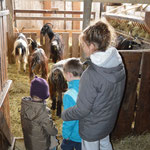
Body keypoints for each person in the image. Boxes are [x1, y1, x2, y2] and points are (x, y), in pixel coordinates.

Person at [61, 19, 126, 150]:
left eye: (83, 44)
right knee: (105, 144)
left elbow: (82, 110)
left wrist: (64, 114)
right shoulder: (118, 64)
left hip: (91, 127)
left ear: (91, 46)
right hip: (107, 122)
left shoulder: (90, 75)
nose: (82, 48)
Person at [20, 76, 58, 150]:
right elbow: (52, 131)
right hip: (42, 146)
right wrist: (55, 130)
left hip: (30, 144)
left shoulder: (24, 106)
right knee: (54, 142)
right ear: (44, 95)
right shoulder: (43, 112)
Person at [61, 58, 83, 150]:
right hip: (87, 133)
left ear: (69, 75)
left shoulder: (69, 95)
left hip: (73, 135)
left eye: (64, 75)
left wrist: (65, 134)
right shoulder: (88, 88)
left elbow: (70, 118)